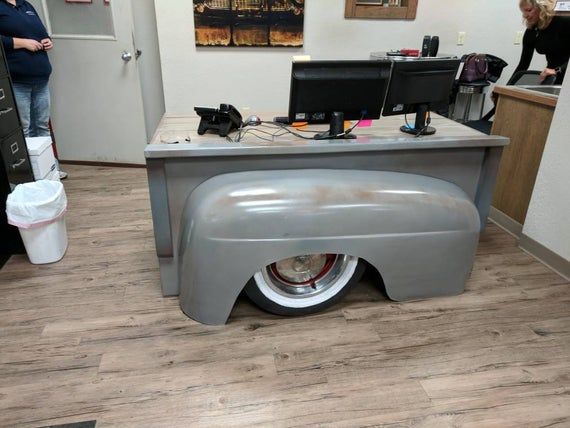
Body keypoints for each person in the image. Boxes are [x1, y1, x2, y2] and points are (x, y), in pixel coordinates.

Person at [0, 0, 66, 178]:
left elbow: (41, 32)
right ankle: (33, 175)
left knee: (42, 127)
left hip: (41, 79)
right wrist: (21, 43)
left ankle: (50, 171)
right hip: (17, 81)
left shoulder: (26, 5)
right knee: (25, 130)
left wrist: (48, 41)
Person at [515, 0, 570, 84]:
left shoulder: (564, 20)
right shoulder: (532, 30)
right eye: (523, 12)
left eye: (529, 10)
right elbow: (523, 64)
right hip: (552, 74)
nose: (525, 15)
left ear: (542, 8)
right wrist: (505, 88)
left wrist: (558, 70)